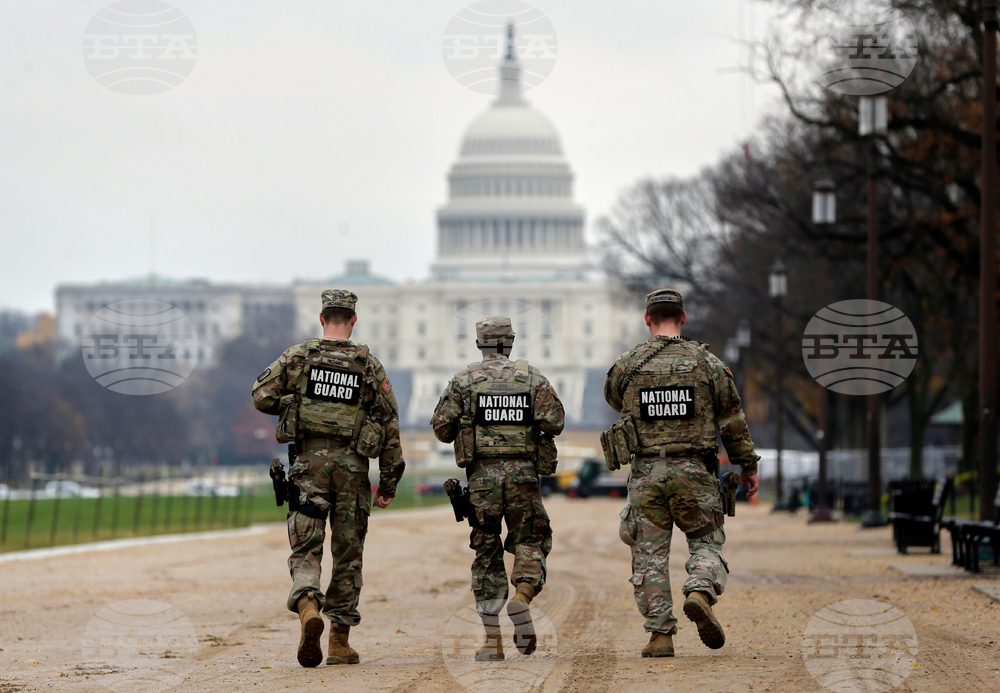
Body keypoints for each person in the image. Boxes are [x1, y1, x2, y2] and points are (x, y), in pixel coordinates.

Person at [251, 289, 404, 668]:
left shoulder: (299, 356)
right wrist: (387, 483)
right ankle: (339, 641)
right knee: (348, 553)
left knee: (307, 545)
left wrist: (296, 405)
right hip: (352, 470)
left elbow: (260, 396)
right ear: (353, 320)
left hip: (308, 467)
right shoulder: (369, 365)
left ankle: (307, 605)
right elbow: (389, 425)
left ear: (322, 318)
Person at [603, 289, 760, 658]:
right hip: (695, 471)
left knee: (649, 556)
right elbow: (732, 421)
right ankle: (700, 591)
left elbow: (614, 400)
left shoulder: (627, 365)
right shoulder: (708, 363)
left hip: (647, 473)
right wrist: (747, 466)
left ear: (648, 320)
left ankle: (660, 636)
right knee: (707, 542)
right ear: (683, 317)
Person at [430, 317, 565, 661]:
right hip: (523, 478)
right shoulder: (532, 378)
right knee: (531, 541)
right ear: (511, 342)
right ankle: (522, 595)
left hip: (482, 483)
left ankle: (492, 642)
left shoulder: (463, 380)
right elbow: (556, 421)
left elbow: (442, 429)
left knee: (486, 556)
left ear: (479, 344)